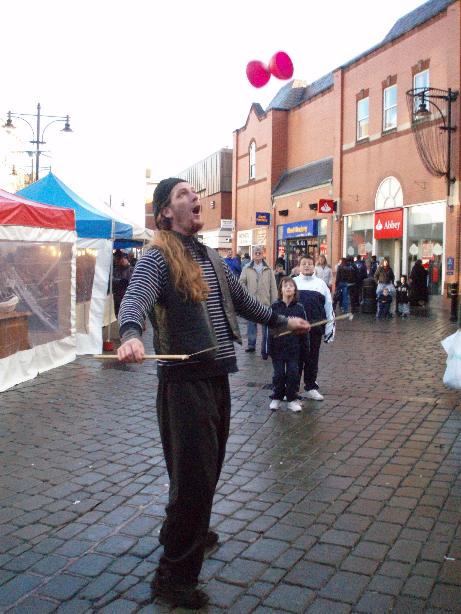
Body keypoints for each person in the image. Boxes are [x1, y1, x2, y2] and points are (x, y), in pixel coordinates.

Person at [117, 178, 310, 609]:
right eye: (183, 194)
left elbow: (244, 303)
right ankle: (174, 579)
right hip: (184, 383)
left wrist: (283, 320)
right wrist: (130, 334)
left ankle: (185, 529)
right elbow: (134, 302)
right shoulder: (157, 257)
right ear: (166, 212)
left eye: (194, 193)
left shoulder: (211, 257)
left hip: (217, 374)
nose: (195, 198)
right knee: (194, 476)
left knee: (204, 469)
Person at [262, 277, 308, 413]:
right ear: (280, 290)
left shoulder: (300, 308)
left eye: (291, 286)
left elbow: (305, 332)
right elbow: (267, 330)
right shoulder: (274, 307)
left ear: (295, 290)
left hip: (294, 349)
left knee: (293, 374)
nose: (288, 288)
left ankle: (292, 399)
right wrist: (265, 349)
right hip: (278, 349)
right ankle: (277, 396)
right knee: (279, 374)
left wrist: (306, 349)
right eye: (285, 286)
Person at [294, 255, 335, 401]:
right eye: (304, 264)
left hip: (315, 330)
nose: (307, 266)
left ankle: (310, 386)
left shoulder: (321, 284)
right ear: (299, 266)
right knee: (296, 360)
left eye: (310, 264)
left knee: (312, 359)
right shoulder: (292, 283)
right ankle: (293, 389)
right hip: (296, 331)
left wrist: (330, 329)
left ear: (314, 266)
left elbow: (328, 307)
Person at [239, 247, 278, 353]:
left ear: (262, 254)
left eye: (259, 252)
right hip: (252, 303)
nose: (257, 254)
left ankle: (266, 346)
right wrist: (246, 295)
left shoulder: (268, 269)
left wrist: (274, 302)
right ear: (252, 254)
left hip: (265, 302)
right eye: (255, 252)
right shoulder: (246, 268)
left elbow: (273, 286)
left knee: (266, 326)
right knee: (251, 325)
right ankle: (251, 345)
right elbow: (241, 283)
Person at [112, 251, 133, 316]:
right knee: (118, 314)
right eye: (117, 259)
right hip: (118, 297)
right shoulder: (115, 270)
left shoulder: (131, 269)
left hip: (128, 297)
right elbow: (111, 280)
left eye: (121, 258)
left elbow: (132, 282)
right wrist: (120, 281)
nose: (120, 261)